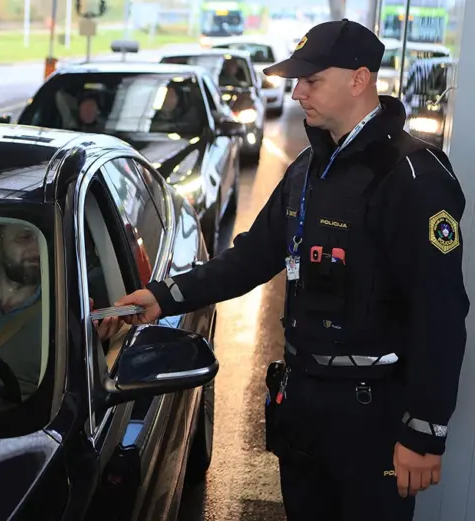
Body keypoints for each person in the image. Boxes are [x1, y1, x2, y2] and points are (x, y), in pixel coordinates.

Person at [115, 19, 469, 520]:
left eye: (311, 79)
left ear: (359, 78)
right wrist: (164, 296)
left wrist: (424, 433)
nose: (297, 91)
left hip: (371, 420)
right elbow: (251, 258)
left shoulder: (414, 178)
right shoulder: (306, 169)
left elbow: (441, 314)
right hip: (302, 407)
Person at [0, 222, 121, 399]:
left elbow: (72, 392)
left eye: (42, 239)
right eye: (25, 237)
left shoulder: (64, 309)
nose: (37, 249)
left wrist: (87, 349)